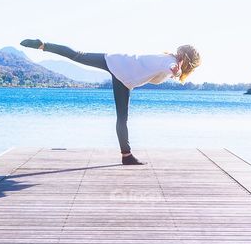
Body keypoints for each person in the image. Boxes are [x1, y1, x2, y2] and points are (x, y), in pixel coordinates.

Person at [20, 39, 201, 165]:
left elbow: (168, 69)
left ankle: (44, 45)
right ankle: (126, 156)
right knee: (122, 118)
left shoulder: (166, 59)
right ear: (187, 61)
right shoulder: (170, 63)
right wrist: (176, 71)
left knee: (78, 55)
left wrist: (175, 70)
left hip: (116, 61)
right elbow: (172, 69)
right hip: (122, 75)